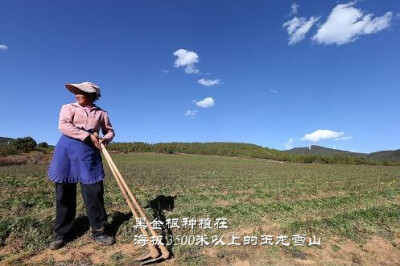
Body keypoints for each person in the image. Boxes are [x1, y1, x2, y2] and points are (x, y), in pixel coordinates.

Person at [48, 81, 115, 250]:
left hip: (89, 155)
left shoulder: (101, 113)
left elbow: (109, 130)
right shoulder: (68, 107)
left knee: (94, 193)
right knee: (64, 194)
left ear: (92, 95)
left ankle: (99, 231)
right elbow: (63, 126)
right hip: (66, 153)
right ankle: (62, 233)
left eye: (80, 92)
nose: (76, 94)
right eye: (76, 92)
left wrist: (106, 138)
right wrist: (86, 135)